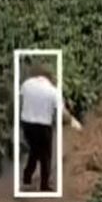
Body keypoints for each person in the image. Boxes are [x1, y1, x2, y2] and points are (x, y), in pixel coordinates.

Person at [19, 62, 82, 193]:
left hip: (27, 124)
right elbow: (62, 114)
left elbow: (20, 101)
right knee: (45, 155)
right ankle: (44, 185)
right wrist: (73, 122)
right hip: (43, 126)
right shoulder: (53, 92)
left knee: (34, 150)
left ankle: (26, 178)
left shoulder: (26, 84)